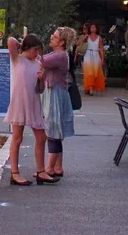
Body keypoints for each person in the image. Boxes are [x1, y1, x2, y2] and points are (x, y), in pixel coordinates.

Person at [6, 34, 57, 186]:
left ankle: (41, 171)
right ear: (27, 48)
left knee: (41, 137)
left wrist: (42, 79)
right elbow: (10, 40)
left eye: (38, 50)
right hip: (20, 103)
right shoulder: (17, 59)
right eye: (35, 49)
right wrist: (23, 42)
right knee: (17, 137)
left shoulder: (39, 63)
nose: (37, 53)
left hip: (34, 102)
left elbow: (40, 90)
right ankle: (14, 173)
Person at [40, 27, 76, 179]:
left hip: (55, 93)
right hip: (56, 92)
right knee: (55, 129)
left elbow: (40, 60)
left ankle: (49, 167)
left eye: (54, 36)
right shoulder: (59, 54)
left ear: (61, 42)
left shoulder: (60, 56)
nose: (51, 37)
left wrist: (28, 47)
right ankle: (57, 166)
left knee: (53, 130)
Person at [82, 24, 106, 95]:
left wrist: (102, 59)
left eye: (94, 27)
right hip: (88, 55)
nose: (92, 28)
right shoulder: (87, 36)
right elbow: (81, 43)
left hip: (96, 55)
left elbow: (101, 49)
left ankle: (91, 87)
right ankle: (90, 89)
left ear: (96, 29)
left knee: (95, 73)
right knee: (89, 73)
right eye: (91, 27)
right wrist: (85, 38)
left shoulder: (99, 38)